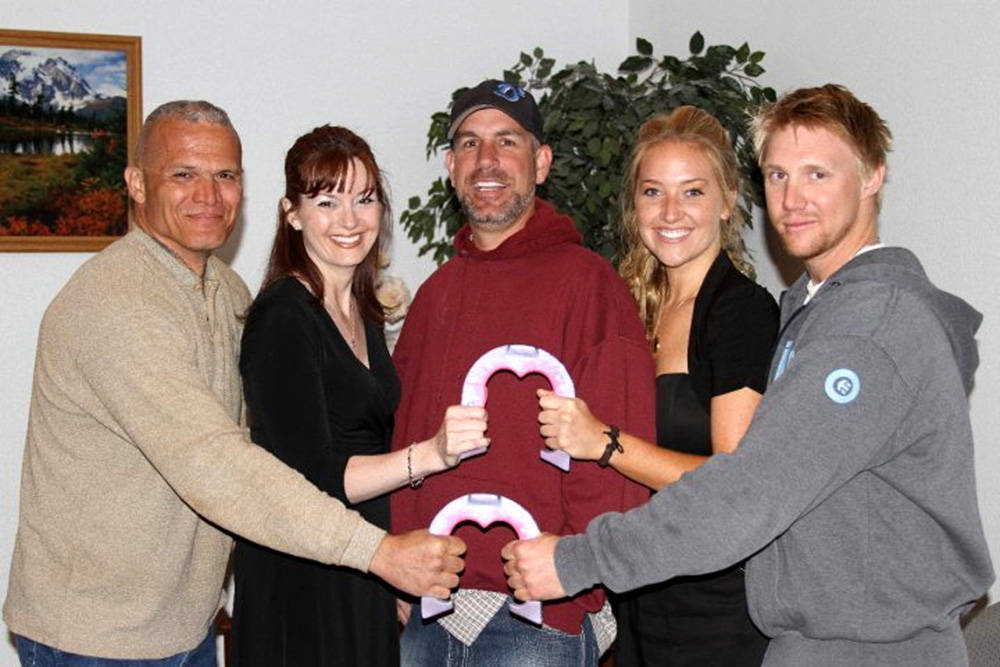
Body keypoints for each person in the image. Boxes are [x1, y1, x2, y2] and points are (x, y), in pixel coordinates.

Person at [503, 84, 995, 667]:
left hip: (867, 649)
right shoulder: (815, 312)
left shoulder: (868, 330)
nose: (793, 199)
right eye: (779, 175)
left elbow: (744, 491)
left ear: (871, 177)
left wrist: (577, 561)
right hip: (804, 641)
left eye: (818, 174)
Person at [3, 101, 465, 666]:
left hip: (187, 622)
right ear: (136, 184)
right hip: (95, 636)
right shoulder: (117, 304)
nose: (208, 194)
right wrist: (378, 553)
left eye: (225, 175)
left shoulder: (225, 290)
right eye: (183, 174)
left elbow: (265, 442)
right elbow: (214, 463)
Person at [389, 79, 656, 665]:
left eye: (506, 142)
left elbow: (619, 451)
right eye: (469, 143)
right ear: (450, 165)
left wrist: (579, 570)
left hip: (537, 619)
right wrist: (400, 563)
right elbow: (405, 432)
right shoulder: (435, 295)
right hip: (432, 613)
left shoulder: (590, 286)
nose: (486, 161)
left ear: (540, 163)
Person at [231, 125, 488, 667]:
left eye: (364, 199)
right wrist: (433, 456)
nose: (349, 220)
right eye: (327, 201)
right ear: (292, 213)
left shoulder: (360, 310)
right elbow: (313, 476)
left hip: (361, 561)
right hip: (303, 576)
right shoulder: (283, 317)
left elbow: (372, 437)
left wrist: (391, 563)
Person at [536, 106, 777, 666]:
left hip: (715, 609)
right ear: (634, 205)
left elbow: (731, 481)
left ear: (728, 200)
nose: (671, 212)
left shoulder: (740, 312)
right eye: (652, 192)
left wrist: (606, 443)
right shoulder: (629, 308)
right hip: (638, 595)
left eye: (692, 192)